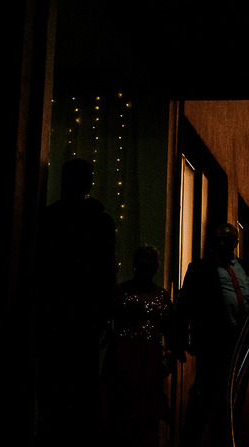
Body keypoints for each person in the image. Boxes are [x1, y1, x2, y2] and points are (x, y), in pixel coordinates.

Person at [36, 158, 117, 447]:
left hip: (57, 313)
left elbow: (41, 268)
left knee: (56, 386)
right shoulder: (100, 221)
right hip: (82, 316)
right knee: (80, 388)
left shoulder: (50, 217)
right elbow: (108, 271)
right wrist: (105, 314)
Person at [176, 222, 249, 447]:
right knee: (204, 397)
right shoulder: (200, 269)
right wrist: (179, 340)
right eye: (220, 240)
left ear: (236, 244)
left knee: (233, 400)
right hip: (213, 342)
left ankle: (226, 440)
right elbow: (184, 306)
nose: (223, 245)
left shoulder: (245, 269)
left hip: (240, 344)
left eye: (228, 241)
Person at [99, 245, 174, 447]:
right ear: (134, 265)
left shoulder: (162, 296)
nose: (146, 266)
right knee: (120, 411)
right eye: (142, 262)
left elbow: (172, 332)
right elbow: (105, 323)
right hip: (122, 358)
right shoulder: (119, 291)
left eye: (150, 262)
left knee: (145, 414)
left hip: (150, 362)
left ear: (156, 267)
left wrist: (168, 359)